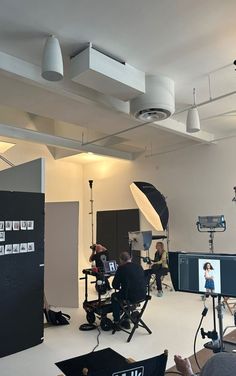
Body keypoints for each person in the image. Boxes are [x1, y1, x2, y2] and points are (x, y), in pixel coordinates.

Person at [111, 251, 147, 328]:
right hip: (143, 295)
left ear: (121, 260)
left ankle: (116, 321)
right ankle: (126, 318)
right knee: (126, 295)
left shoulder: (121, 268)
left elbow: (114, 285)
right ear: (130, 258)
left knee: (114, 296)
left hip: (131, 297)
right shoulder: (139, 266)